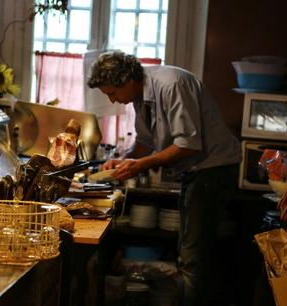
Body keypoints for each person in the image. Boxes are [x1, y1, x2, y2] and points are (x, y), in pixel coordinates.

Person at [87, 51, 241, 306]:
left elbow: (188, 145)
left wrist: (141, 165)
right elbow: (146, 143)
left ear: (127, 80)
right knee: (188, 252)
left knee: (193, 257)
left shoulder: (171, 84)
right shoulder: (139, 96)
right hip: (195, 171)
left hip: (213, 170)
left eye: (112, 93)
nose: (113, 100)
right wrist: (124, 159)